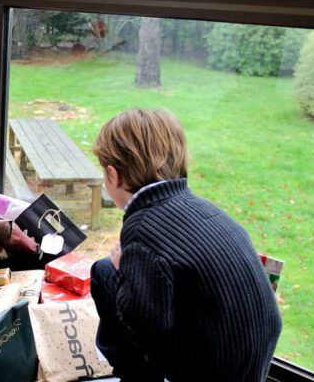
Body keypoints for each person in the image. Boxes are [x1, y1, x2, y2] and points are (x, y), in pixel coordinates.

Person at [89, 109, 282, 382]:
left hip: (207, 372)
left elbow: (144, 324)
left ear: (113, 175)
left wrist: (125, 272)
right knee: (111, 269)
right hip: (252, 365)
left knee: (105, 273)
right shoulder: (206, 209)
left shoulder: (142, 226)